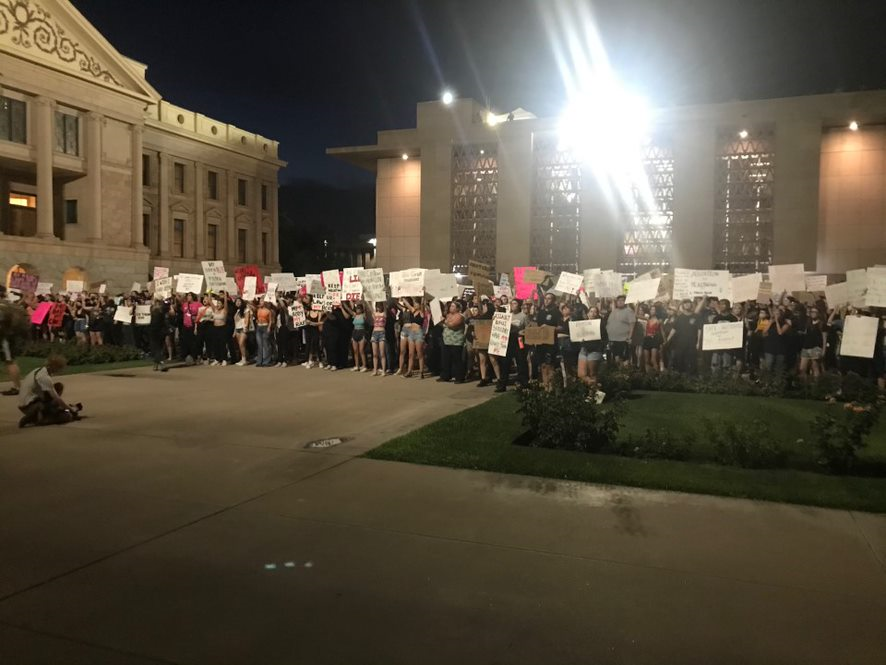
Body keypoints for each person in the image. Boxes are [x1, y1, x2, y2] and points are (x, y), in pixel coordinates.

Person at [18, 355, 80, 427]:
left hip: (29, 402)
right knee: (67, 416)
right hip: (31, 406)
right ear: (55, 367)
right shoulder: (44, 377)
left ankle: (41, 414)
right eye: (61, 368)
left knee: (58, 386)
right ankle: (39, 419)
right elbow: (57, 399)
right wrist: (71, 410)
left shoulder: (39, 371)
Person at [606, 294, 636, 366]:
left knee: (624, 360)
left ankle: (625, 375)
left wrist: (629, 337)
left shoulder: (629, 311)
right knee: (616, 359)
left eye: (622, 300)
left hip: (623, 340)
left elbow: (632, 325)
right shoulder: (614, 311)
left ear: (625, 302)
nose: (620, 302)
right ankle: (619, 374)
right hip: (613, 339)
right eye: (618, 300)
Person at [369, 302, 387, 376]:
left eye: (379, 306)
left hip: (381, 333)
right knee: (375, 354)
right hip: (374, 333)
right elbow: (370, 308)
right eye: (377, 306)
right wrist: (367, 301)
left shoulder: (384, 314)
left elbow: (385, 307)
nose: (378, 308)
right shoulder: (375, 314)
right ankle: (375, 370)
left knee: (382, 353)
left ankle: (383, 370)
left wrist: (385, 299)